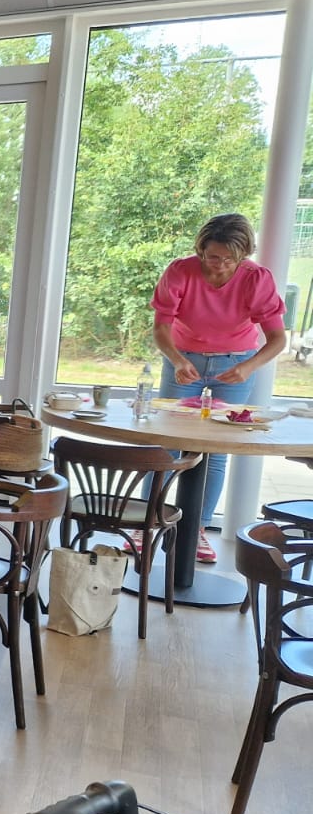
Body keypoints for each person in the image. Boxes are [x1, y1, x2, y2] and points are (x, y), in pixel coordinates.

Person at [151, 213, 287, 563]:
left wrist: (248, 367)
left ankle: (197, 528)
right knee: (166, 444)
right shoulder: (180, 271)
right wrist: (177, 360)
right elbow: (161, 328)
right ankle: (149, 521)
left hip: (235, 364)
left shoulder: (256, 279)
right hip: (184, 360)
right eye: (213, 257)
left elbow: (277, 338)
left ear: (244, 255)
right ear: (201, 249)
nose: (220, 265)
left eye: (230, 259)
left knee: (216, 450)